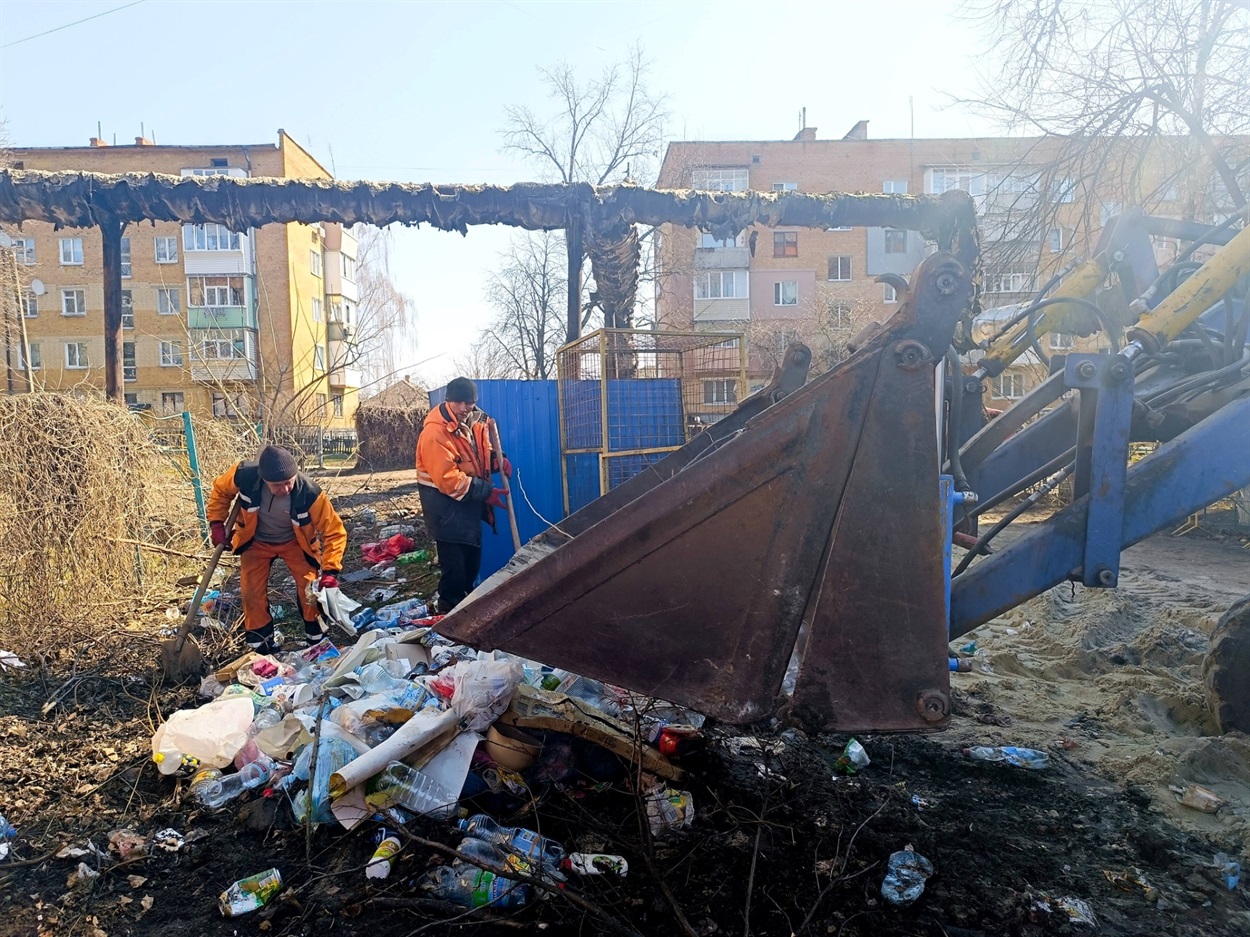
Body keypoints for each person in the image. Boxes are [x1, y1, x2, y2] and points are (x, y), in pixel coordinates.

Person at [207, 445, 347, 653]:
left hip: (296, 542)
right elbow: (220, 491)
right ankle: (260, 645)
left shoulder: (310, 492)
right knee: (251, 591)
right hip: (255, 541)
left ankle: (316, 638)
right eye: (277, 485)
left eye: (288, 482)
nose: (285, 489)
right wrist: (217, 523)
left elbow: (334, 531)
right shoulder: (244, 475)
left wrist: (330, 571)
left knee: (310, 588)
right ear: (264, 479)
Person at [416, 377, 511, 614]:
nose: (463, 407)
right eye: (458, 402)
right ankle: (448, 612)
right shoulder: (435, 432)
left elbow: (479, 454)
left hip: (468, 506)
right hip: (445, 509)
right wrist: (486, 492)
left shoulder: (477, 422)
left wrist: (496, 460)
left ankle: (465, 611)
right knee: (455, 572)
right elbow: (448, 479)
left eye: (468, 402)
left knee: (471, 565)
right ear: (448, 400)